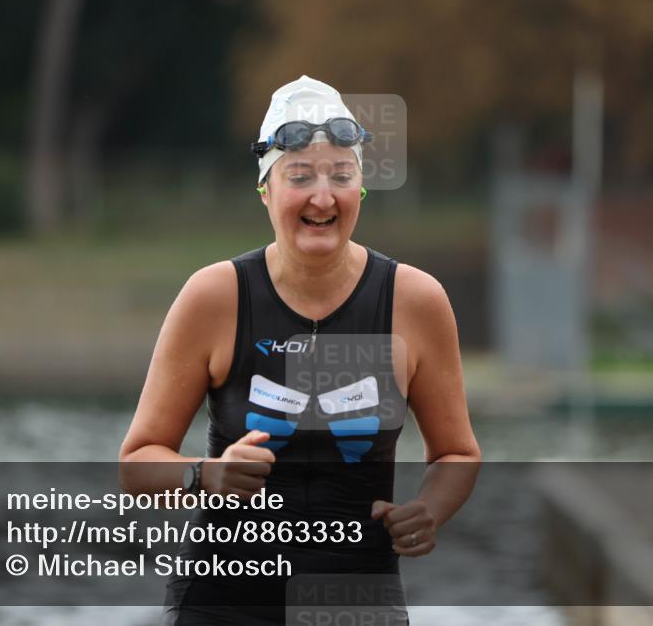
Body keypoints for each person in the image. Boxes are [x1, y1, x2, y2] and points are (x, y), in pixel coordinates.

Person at [119, 76, 481, 624]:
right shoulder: (215, 296)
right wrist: (204, 475)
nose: (322, 196)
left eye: (341, 175)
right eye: (299, 177)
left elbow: (457, 453)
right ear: (265, 190)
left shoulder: (415, 300)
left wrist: (427, 510)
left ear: (360, 189)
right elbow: (137, 462)